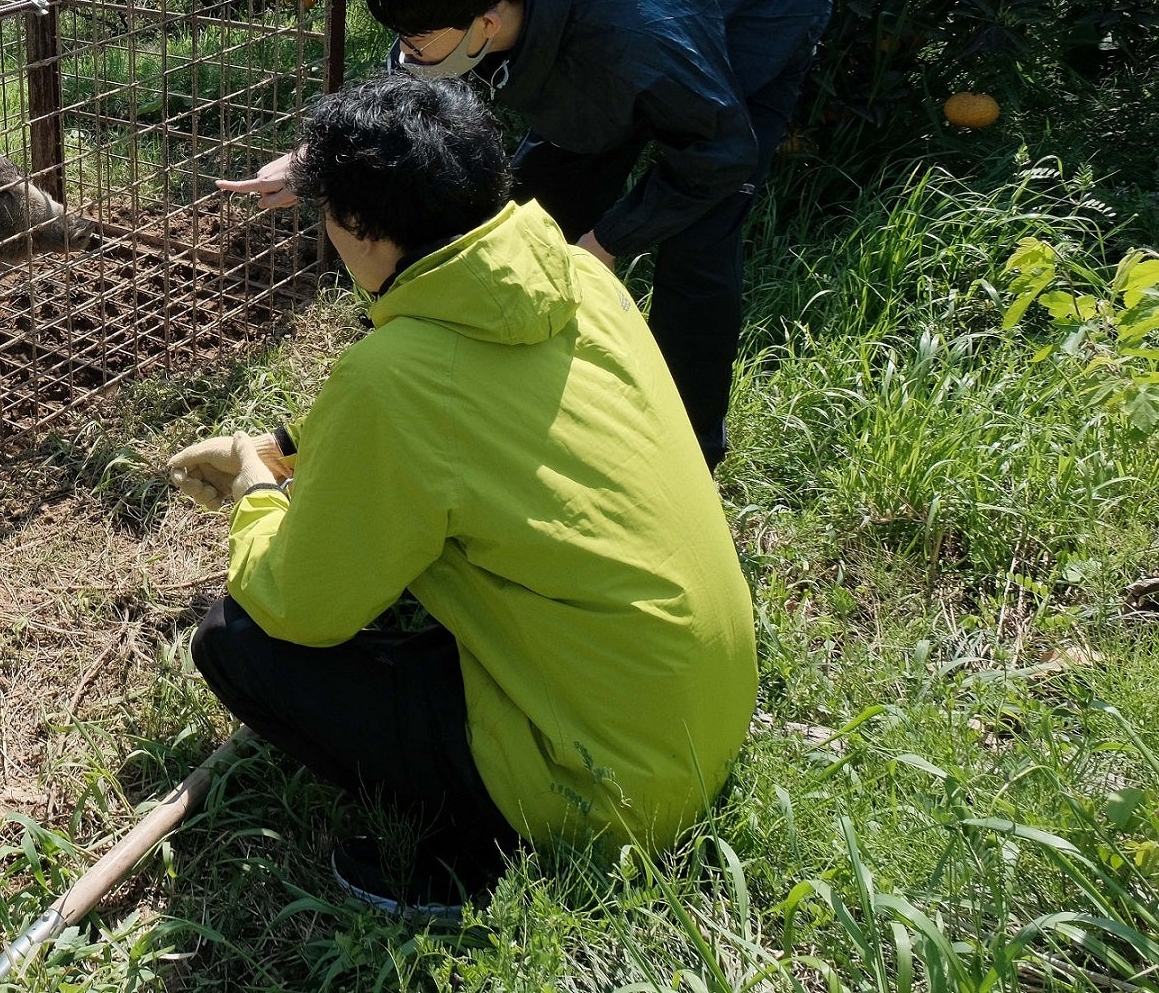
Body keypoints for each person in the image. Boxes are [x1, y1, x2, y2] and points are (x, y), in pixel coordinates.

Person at [171, 73, 756, 916]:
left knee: (238, 641)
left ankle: (488, 850)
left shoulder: (397, 376)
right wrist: (284, 450)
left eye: (326, 214)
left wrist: (259, 493)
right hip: (694, 710)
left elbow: (297, 604)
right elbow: (458, 423)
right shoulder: (573, 274)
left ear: (364, 231)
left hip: (608, 789)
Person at [219, 0, 832, 468]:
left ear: (488, 21)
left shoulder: (637, 27)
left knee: (700, 237)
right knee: (518, 216)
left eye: (418, 39)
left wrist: (606, 243)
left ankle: (690, 450)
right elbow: (406, 106)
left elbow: (720, 154)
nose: (406, 54)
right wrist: (312, 162)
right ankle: (494, 395)